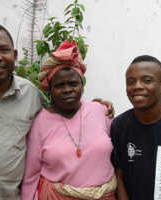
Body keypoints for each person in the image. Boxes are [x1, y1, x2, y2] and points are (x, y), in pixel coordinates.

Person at [0, 22, 114, 200]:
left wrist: (99, 108)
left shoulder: (32, 95)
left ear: (15, 54)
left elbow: (62, 113)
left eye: (3, 50)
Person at [21, 40, 116, 200]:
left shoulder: (100, 111)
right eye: (59, 85)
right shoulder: (40, 122)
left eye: (73, 84)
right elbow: (31, 176)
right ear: (50, 90)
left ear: (82, 86)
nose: (67, 90)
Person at [111, 55, 161, 200]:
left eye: (147, 80)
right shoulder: (119, 126)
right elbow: (119, 177)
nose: (137, 86)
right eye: (130, 81)